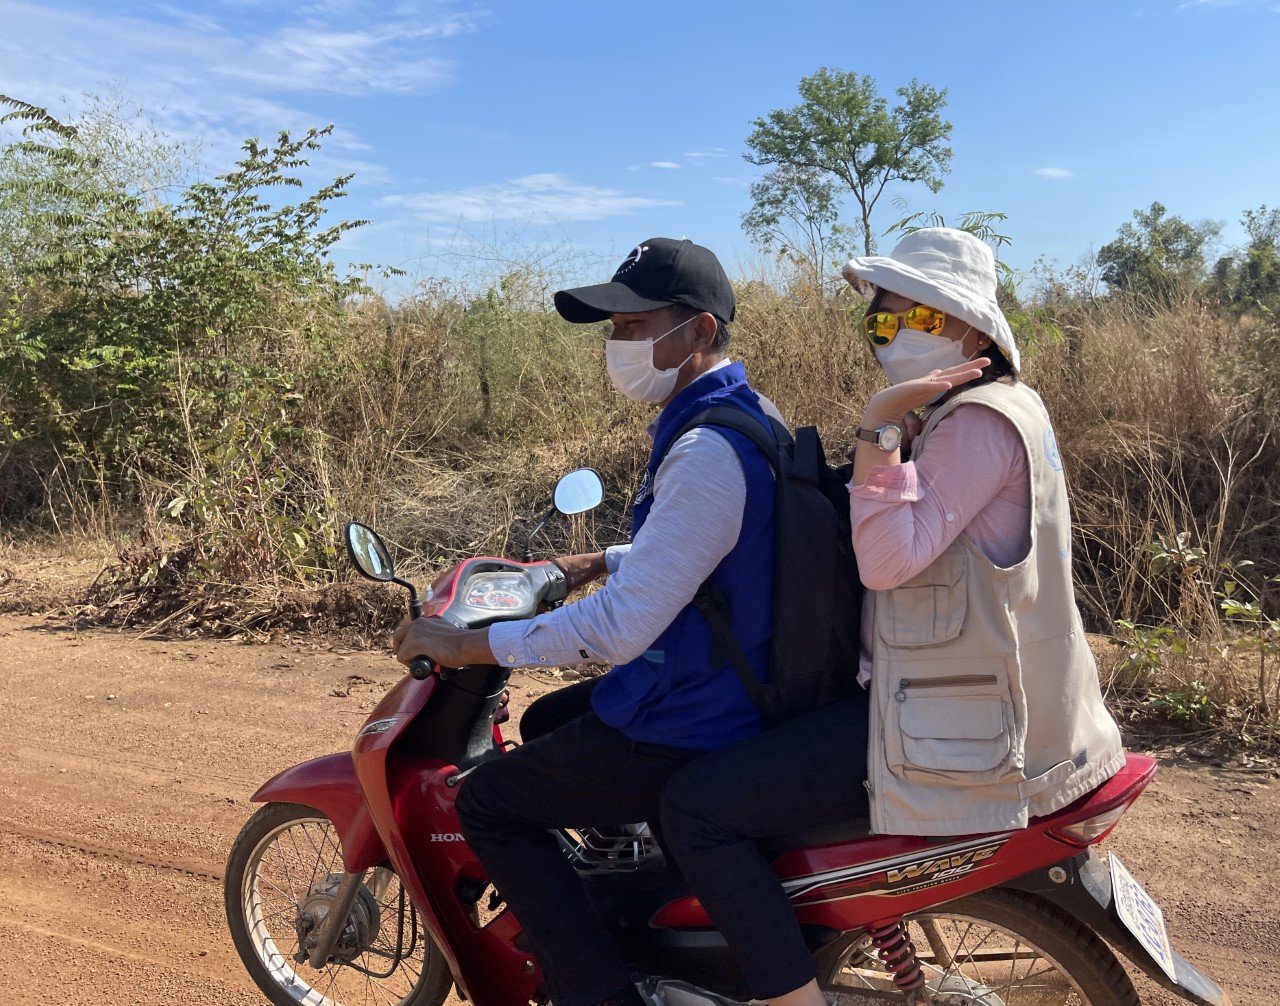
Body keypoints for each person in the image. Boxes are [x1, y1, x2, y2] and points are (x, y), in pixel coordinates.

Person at [658, 227, 1125, 1006]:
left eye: (922, 317)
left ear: (972, 327)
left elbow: (886, 560)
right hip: (963, 697)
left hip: (948, 720)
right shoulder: (984, 410)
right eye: (882, 320)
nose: (897, 335)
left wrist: (877, 428)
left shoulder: (976, 423)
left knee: (695, 809)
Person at [391, 237, 787, 1006]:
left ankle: (596, 992)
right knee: (548, 721)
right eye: (614, 329)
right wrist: (597, 559)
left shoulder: (705, 448)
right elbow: (704, 547)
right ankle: (635, 892)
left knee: (488, 804)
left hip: (698, 715)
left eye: (634, 326)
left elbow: (621, 629)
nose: (617, 344)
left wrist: (466, 643)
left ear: (700, 330)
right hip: (732, 678)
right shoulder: (743, 415)